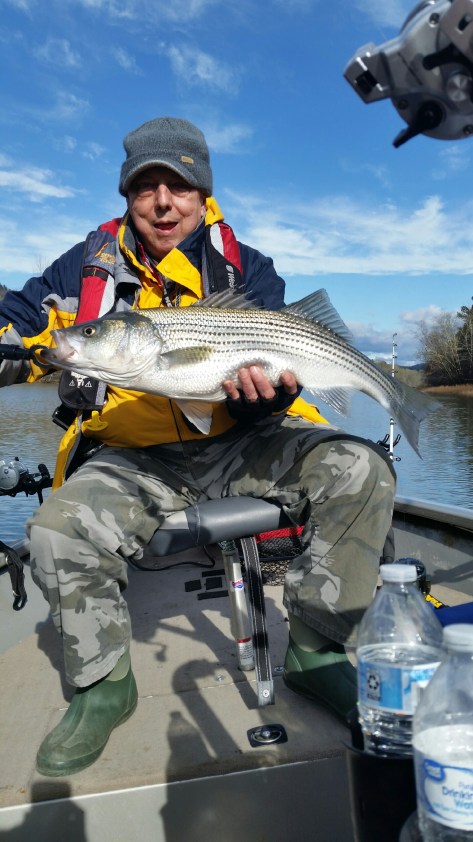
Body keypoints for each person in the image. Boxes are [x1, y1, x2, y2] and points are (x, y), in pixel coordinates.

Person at [0, 117, 396, 777]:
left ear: (201, 193)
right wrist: (29, 347)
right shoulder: (82, 267)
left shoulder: (247, 268)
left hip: (243, 439)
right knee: (55, 528)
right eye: (144, 187)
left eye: (179, 187)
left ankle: (317, 650)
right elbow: (16, 327)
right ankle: (103, 684)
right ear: (127, 196)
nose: (163, 203)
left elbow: (279, 373)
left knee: (362, 468)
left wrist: (262, 400)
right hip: (135, 456)